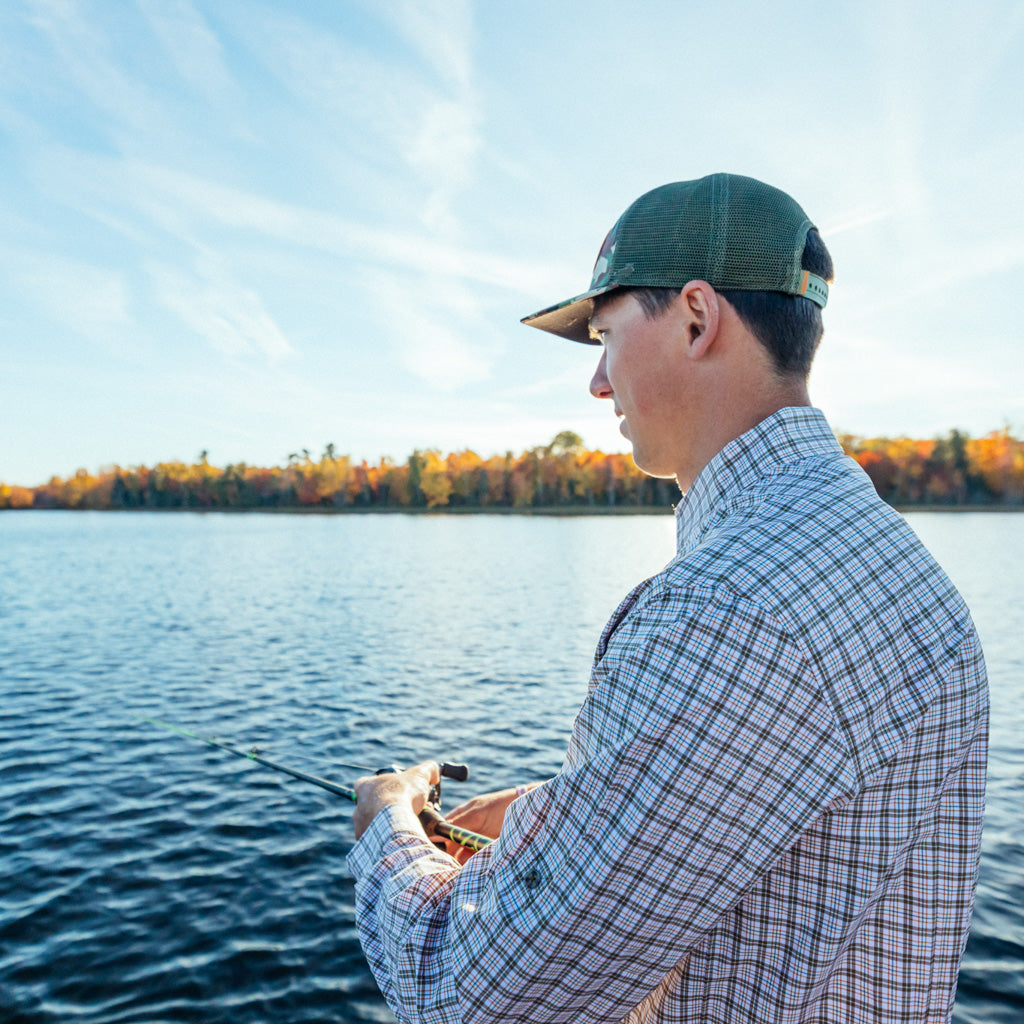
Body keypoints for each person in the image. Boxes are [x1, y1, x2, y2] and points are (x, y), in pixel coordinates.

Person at [348, 172, 988, 1024]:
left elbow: (480, 996)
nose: (598, 384)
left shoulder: (728, 608)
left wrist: (387, 831)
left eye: (607, 335)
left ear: (696, 316)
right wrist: (565, 810)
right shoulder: (896, 567)